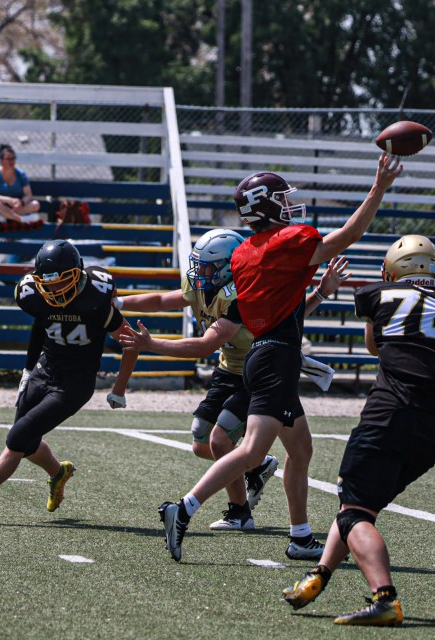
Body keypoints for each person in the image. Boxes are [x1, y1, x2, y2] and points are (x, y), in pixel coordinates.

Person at [157, 153, 403, 563]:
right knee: (253, 451)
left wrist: (318, 292)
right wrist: (378, 188)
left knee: (301, 450)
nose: (289, 204)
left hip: (265, 353)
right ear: (266, 205)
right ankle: (182, 508)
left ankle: (300, 537)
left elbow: (279, 304)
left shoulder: (242, 254)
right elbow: (347, 236)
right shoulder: (286, 241)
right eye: (282, 198)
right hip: (276, 358)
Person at [281, 235, 435, 626]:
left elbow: (375, 347)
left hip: (387, 417)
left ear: (391, 272)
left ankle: (385, 599)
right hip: (429, 431)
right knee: (357, 507)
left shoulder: (377, 294)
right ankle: (319, 575)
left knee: (355, 514)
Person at [119, 228, 347, 533]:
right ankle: (257, 464)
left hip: (257, 373)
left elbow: (205, 345)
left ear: (228, 268)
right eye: (199, 265)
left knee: (221, 441)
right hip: (228, 369)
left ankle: (240, 511)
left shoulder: (242, 292)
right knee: (201, 441)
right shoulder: (201, 285)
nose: (199, 272)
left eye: (207, 267)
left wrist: (151, 344)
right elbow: (161, 300)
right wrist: (118, 303)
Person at [0, 239, 137, 524]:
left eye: (62, 282)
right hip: (44, 369)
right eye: (49, 283)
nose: (55, 290)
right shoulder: (33, 295)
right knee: (26, 441)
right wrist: (28, 370)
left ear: (77, 275)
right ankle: (59, 472)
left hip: (73, 384)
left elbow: (131, 342)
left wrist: (119, 389)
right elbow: (40, 324)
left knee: (16, 439)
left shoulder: (94, 299)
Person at [0, 143, 42, 224]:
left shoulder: (21, 174)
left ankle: (6, 216)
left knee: (35, 204)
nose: (11, 161)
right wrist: (8, 200)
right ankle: (21, 219)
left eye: (13, 158)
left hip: (16, 208)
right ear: (1, 161)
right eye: (8, 159)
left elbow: (28, 195)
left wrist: (21, 202)